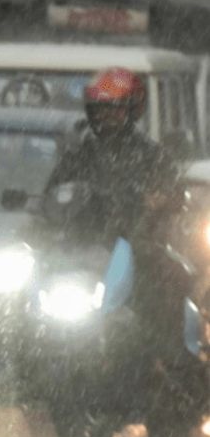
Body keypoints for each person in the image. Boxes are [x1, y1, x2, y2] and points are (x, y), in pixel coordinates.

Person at [47, 67, 183, 361]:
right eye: (99, 111)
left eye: (113, 111)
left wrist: (152, 204)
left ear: (133, 111)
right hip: (83, 245)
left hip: (135, 244)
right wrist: (43, 210)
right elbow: (54, 190)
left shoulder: (151, 154)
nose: (105, 118)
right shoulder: (80, 152)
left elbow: (171, 194)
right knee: (31, 288)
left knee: (171, 281)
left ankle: (165, 362)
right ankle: (33, 366)